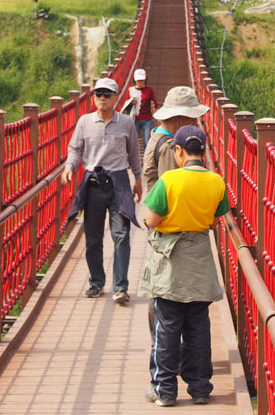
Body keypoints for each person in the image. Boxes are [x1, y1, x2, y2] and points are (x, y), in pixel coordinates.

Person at [140, 125, 229, 407]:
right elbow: (215, 222)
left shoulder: (169, 180)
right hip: (200, 260)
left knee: (167, 328)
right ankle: (200, 388)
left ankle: (165, 390)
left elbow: (151, 220)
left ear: (178, 151)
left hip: (172, 263)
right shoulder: (217, 182)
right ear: (203, 150)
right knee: (198, 327)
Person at [61, 77, 143, 304]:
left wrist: (138, 179)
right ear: (94, 97)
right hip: (93, 184)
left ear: (117, 97)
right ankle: (96, 282)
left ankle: (120, 287)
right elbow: (75, 149)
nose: (102, 98)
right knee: (93, 237)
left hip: (119, 184)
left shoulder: (126, 123)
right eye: (99, 94)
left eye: (107, 94)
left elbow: (134, 153)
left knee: (121, 235)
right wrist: (69, 166)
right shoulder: (84, 122)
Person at [143, 86, 209, 192]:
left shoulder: (158, 135)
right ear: (178, 117)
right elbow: (172, 190)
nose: (195, 122)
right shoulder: (168, 147)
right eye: (191, 117)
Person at [131, 68, 158, 151]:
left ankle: (147, 162)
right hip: (135, 119)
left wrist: (158, 117)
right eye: (138, 80)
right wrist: (131, 102)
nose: (140, 82)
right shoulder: (131, 90)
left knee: (148, 142)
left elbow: (155, 103)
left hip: (147, 119)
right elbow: (125, 105)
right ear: (135, 80)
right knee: (133, 142)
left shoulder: (150, 90)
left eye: (142, 80)